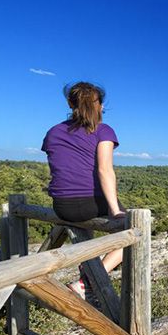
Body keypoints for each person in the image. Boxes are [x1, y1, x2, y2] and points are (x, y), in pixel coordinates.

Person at [41, 81, 125, 299]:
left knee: (85, 236)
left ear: (71, 104)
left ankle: (87, 268)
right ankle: (86, 283)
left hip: (62, 207)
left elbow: (60, 165)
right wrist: (115, 210)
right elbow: (105, 170)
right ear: (100, 106)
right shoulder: (103, 130)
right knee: (133, 235)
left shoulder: (52, 132)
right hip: (90, 203)